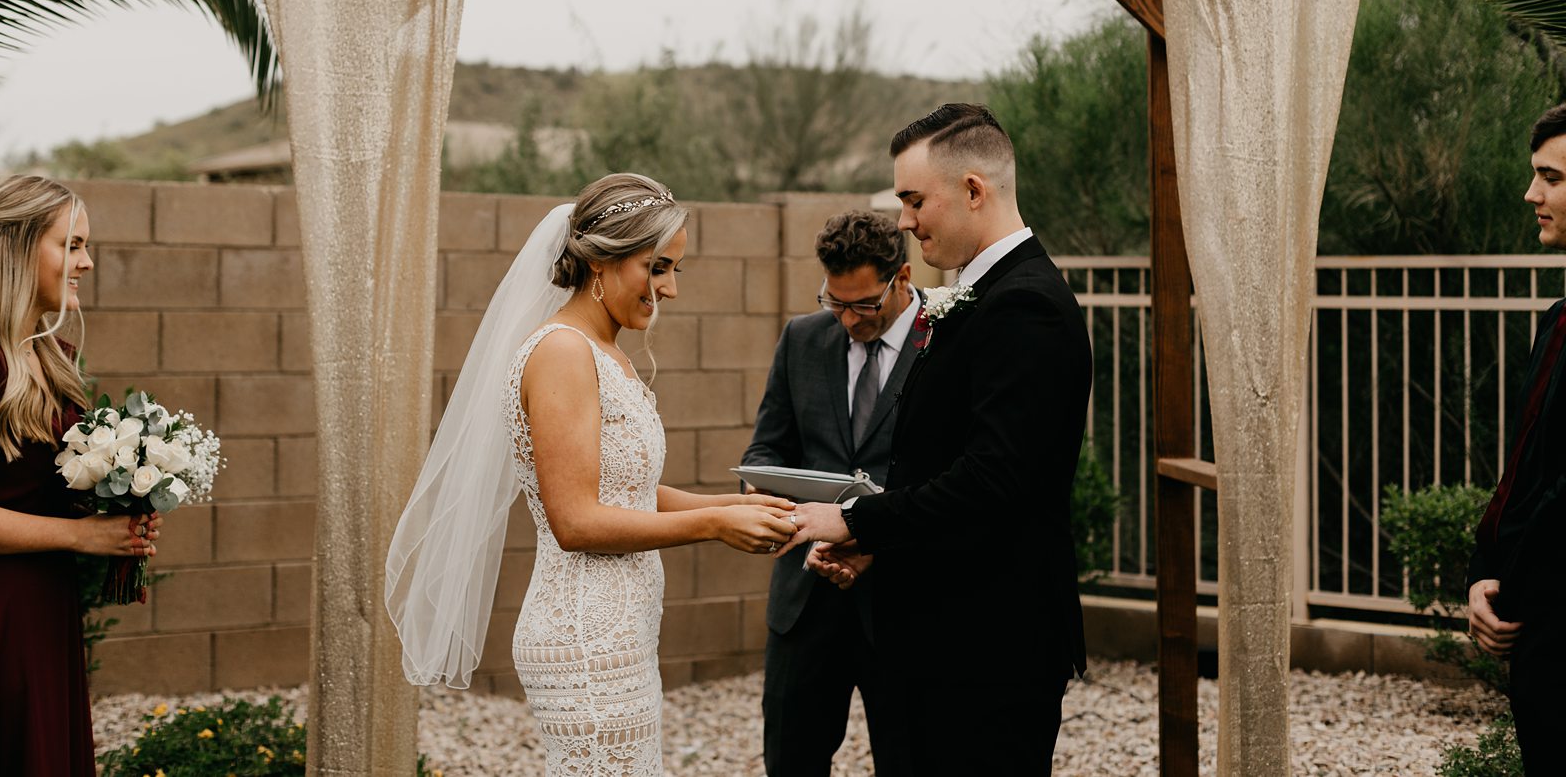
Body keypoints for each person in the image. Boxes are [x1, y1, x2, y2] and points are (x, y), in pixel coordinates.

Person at [386, 172, 797, 776]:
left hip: (621, 629)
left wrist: (742, 505)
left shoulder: (605, 351)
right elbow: (575, 519)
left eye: (676, 270)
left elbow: (624, 491)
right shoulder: (562, 352)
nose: (670, 289)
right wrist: (714, 523)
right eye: (657, 268)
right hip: (582, 633)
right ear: (602, 262)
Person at [778, 104, 1092, 777]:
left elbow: (993, 481)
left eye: (914, 199)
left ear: (973, 190)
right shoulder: (981, 296)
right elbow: (943, 466)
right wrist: (874, 549)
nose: (904, 221)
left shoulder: (1026, 305)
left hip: (988, 651)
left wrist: (855, 518)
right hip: (941, 641)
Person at [0, 175, 160, 777]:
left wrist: (120, 499)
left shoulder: (51, 356)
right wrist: (82, 537)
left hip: (44, 606)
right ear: (19, 250)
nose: (87, 262)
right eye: (70, 245)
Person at [740, 210, 921, 776]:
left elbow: (957, 477)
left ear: (903, 279)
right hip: (805, 598)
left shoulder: (945, 343)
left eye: (863, 305)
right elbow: (766, 453)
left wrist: (873, 540)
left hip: (904, 599)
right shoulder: (801, 338)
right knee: (791, 761)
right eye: (833, 301)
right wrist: (784, 511)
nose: (847, 319)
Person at [1468, 103, 1566, 774]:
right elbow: (1524, 472)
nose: (1532, 193)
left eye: (1551, 177)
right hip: (1538, 653)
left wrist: (1514, 587)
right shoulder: (1557, 321)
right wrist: (1482, 574)